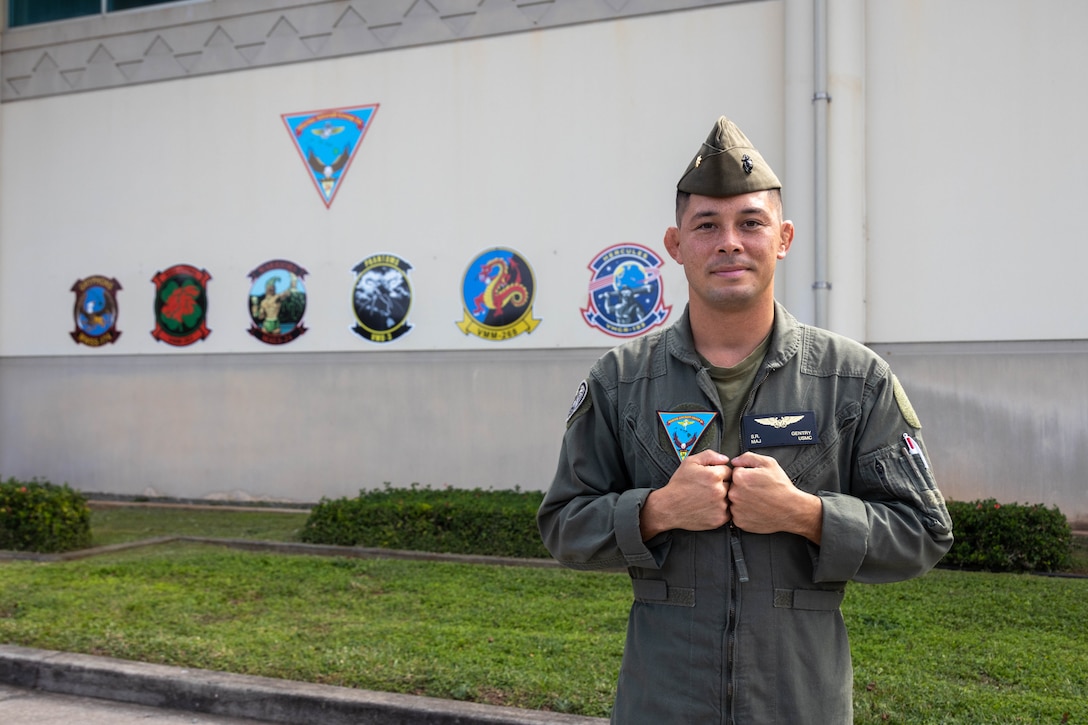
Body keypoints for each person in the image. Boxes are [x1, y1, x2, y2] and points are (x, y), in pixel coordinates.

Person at [537, 115, 953, 724]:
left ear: (783, 238)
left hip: (798, 703)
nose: (729, 242)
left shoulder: (853, 379)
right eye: (707, 225)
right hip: (662, 703)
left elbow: (922, 531)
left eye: (751, 223)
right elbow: (564, 525)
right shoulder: (621, 381)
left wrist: (805, 515)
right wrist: (658, 511)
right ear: (676, 245)